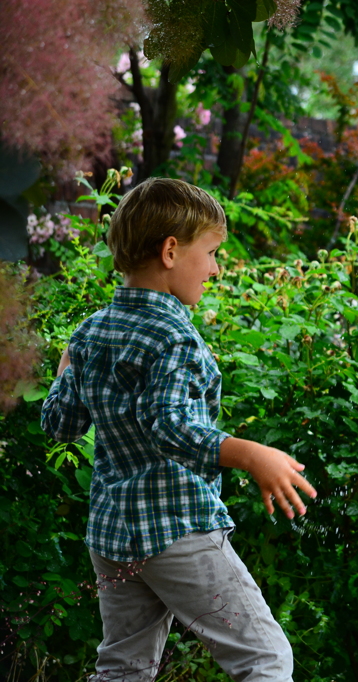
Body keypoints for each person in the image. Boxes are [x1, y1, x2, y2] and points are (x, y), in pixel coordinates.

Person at [41, 177, 317, 682]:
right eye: (211, 253)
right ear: (171, 251)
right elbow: (172, 425)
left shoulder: (91, 331)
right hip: (174, 527)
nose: (215, 268)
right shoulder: (173, 335)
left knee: (123, 666)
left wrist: (68, 364)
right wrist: (251, 454)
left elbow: (59, 425)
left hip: (112, 534)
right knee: (265, 659)